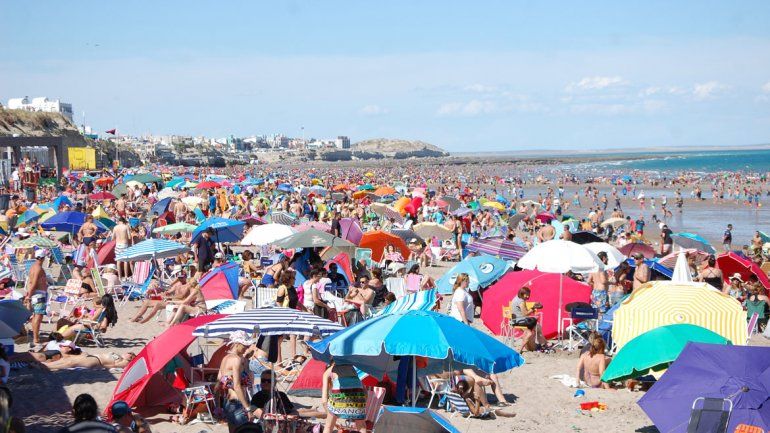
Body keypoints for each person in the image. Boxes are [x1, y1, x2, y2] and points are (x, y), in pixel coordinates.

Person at [218, 331, 255, 432]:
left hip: (228, 402)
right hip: (238, 403)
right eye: (245, 345)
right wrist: (247, 408)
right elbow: (237, 386)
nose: (246, 348)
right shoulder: (236, 360)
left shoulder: (225, 358)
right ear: (237, 344)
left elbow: (218, 380)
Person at [321, 361, 367, 433]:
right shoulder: (352, 368)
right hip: (359, 398)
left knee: (328, 426)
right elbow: (364, 390)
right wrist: (362, 406)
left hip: (338, 399)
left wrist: (329, 414)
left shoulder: (329, 370)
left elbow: (324, 399)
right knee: (361, 426)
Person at [509, 287, 548, 352]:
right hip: (521, 321)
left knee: (536, 328)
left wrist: (532, 308)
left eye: (529, 294)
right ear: (522, 294)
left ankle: (543, 344)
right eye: (526, 294)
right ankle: (544, 344)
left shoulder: (516, 298)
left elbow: (522, 312)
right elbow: (525, 314)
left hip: (514, 320)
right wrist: (533, 308)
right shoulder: (521, 301)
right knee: (537, 328)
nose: (528, 296)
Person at [23, 249, 48, 349]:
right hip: (38, 295)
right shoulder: (38, 269)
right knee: (38, 317)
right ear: (42, 258)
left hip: (35, 294)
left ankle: (35, 337)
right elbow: (33, 283)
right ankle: (36, 339)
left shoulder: (33, 267)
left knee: (35, 316)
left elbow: (29, 282)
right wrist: (28, 296)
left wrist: (28, 294)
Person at [43, 352, 135, 371]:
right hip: (92, 356)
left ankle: (48, 367)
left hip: (96, 361)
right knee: (69, 360)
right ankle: (47, 364)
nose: (128, 353)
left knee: (71, 363)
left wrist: (103, 367)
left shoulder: (124, 361)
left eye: (130, 354)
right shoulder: (120, 356)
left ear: (130, 358)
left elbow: (114, 365)